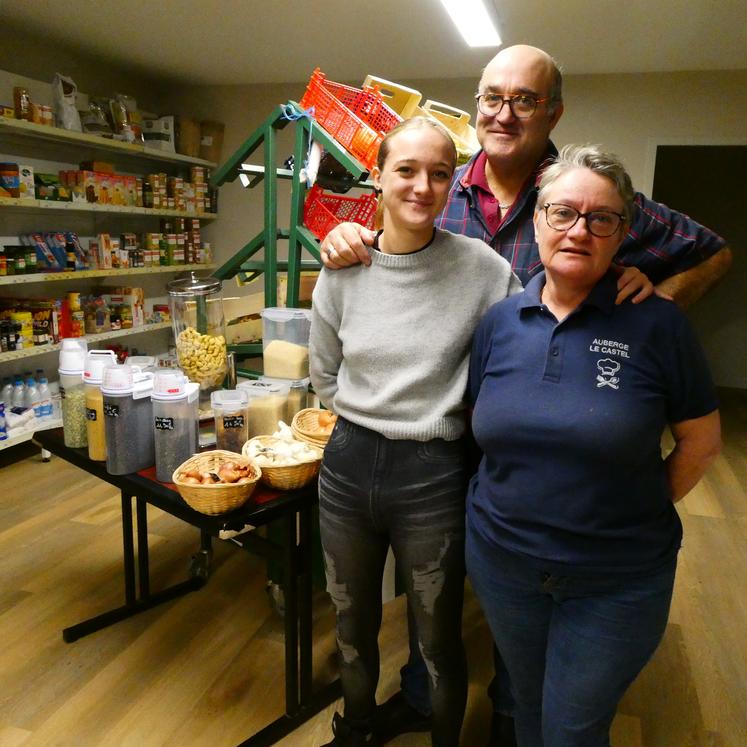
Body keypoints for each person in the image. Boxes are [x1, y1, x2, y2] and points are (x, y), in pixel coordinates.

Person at [318, 44, 731, 745]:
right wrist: (344, 235)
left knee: (542, 683)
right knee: (456, 598)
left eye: (524, 99)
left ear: (553, 112)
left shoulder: (586, 186)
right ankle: (431, 701)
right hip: (468, 442)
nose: (503, 112)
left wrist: (653, 295)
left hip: (567, 457)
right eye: (491, 97)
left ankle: (520, 719)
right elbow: (378, 285)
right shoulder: (444, 191)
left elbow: (711, 249)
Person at [466, 143, 721, 747]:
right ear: (538, 221)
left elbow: (701, 444)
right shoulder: (499, 323)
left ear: (620, 234)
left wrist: (634, 504)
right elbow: (483, 422)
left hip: (617, 576)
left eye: (600, 218)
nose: (579, 229)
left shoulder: (660, 324)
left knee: (572, 729)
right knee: (525, 706)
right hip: (505, 565)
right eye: (563, 213)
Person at [310, 116, 523, 747]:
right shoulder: (343, 266)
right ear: (378, 178)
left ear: (454, 182)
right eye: (405, 170)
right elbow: (324, 372)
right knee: (351, 622)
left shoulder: (481, 270)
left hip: (433, 472)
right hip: (348, 465)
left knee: (436, 633)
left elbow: (529, 329)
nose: (422, 186)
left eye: (439, 173)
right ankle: (356, 728)